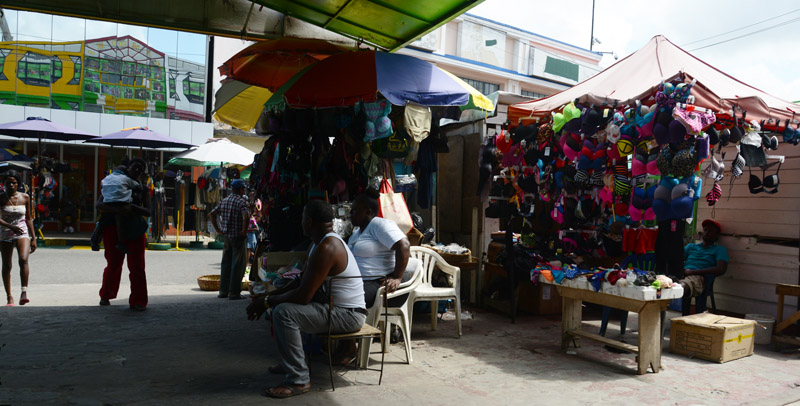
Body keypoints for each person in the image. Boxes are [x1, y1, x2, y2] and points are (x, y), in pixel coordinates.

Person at [246, 200, 366, 399]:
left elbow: (303, 296)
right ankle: (292, 363)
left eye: (302, 217)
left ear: (309, 221)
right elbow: (301, 281)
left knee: (284, 313)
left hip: (348, 315)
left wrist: (267, 302)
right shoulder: (318, 243)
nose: (300, 222)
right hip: (335, 309)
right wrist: (268, 296)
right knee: (281, 306)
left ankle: (298, 380)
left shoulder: (328, 247)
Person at [335, 187, 410, 365]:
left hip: (381, 284)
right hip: (362, 282)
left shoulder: (380, 225)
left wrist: (397, 277)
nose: (350, 214)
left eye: (354, 210)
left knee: (345, 298)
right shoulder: (357, 232)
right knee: (330, 292)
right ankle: (343, 342)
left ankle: (351, 347)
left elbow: (404, 246)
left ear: (368, 212)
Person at [97, 158, 150, 311]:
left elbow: (148, 211)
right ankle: (105, 295)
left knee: (137, 266)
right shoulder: (114, 184)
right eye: (135, 167)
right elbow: (99, 205)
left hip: (135, 230)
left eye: (141, 168)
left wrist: (132, 208)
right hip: (112, 229)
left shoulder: (143, 189)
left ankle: (139, 301)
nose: (137, 170)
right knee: (113, 264)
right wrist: (118, 210)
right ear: (128, 168)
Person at [209, 179, 251, 300]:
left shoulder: (225, 200)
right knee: (238, 264)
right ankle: (234, 292)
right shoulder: (241, 202)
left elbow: (212, 214)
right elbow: (246, 216)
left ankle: (223, 291)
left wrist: (218, 230)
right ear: (241, 189)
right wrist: (244, 231)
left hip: (227, 237)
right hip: (238, 237)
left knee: (226, 264)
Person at [0, 171, 36, 306]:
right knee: (7, 265)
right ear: (4, 184)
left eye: (14, 182)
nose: (11, 185)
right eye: (8, 182)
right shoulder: (1, 198)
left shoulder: (25, 197)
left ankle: (24, 292)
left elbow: (29, 219)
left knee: (23, 259)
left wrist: (33, 238)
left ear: (18, 184)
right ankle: (9, 297)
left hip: (22, 233)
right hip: (5, 233)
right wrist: (10, 226)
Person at [679, 219, 728, 315]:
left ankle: (677, 287)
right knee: (665, 283)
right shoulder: (691, 246)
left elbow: (721, 269)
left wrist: (692, 272)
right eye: (705, 230)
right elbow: (677, 259)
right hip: (684, 274)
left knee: (681, 286)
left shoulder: (719, 249)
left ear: (717, 235)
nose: (707, 232)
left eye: (711, 230)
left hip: (701, 278)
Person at [90, 162, 143, 252]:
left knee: (101, 223)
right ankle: (121, 243)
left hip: (107, 202)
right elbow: (139, 188)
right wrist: (138, 180)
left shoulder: (106, 178)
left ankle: (94, 241)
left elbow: (102, 188)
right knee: (120, 223)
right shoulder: (126, 179)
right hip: (120, 203)